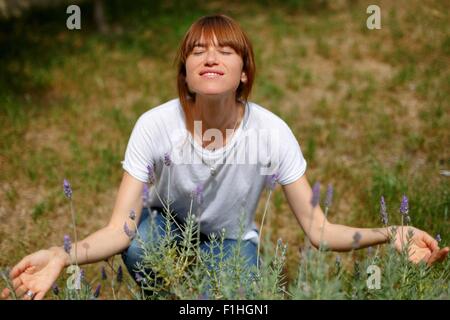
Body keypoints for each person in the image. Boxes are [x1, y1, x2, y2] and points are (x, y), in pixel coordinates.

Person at [1, 14, 448, 301]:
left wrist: (393, 230)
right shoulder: (155, 125)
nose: (210, 57)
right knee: (140, 247)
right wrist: (61, 256)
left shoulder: (271, 132)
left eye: (226, 50)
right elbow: (120, 229)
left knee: (240, 297)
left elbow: (318, 230)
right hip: (167, 227)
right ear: (186, 75)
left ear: (244, 72)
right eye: (198, 51)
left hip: (232, 243)